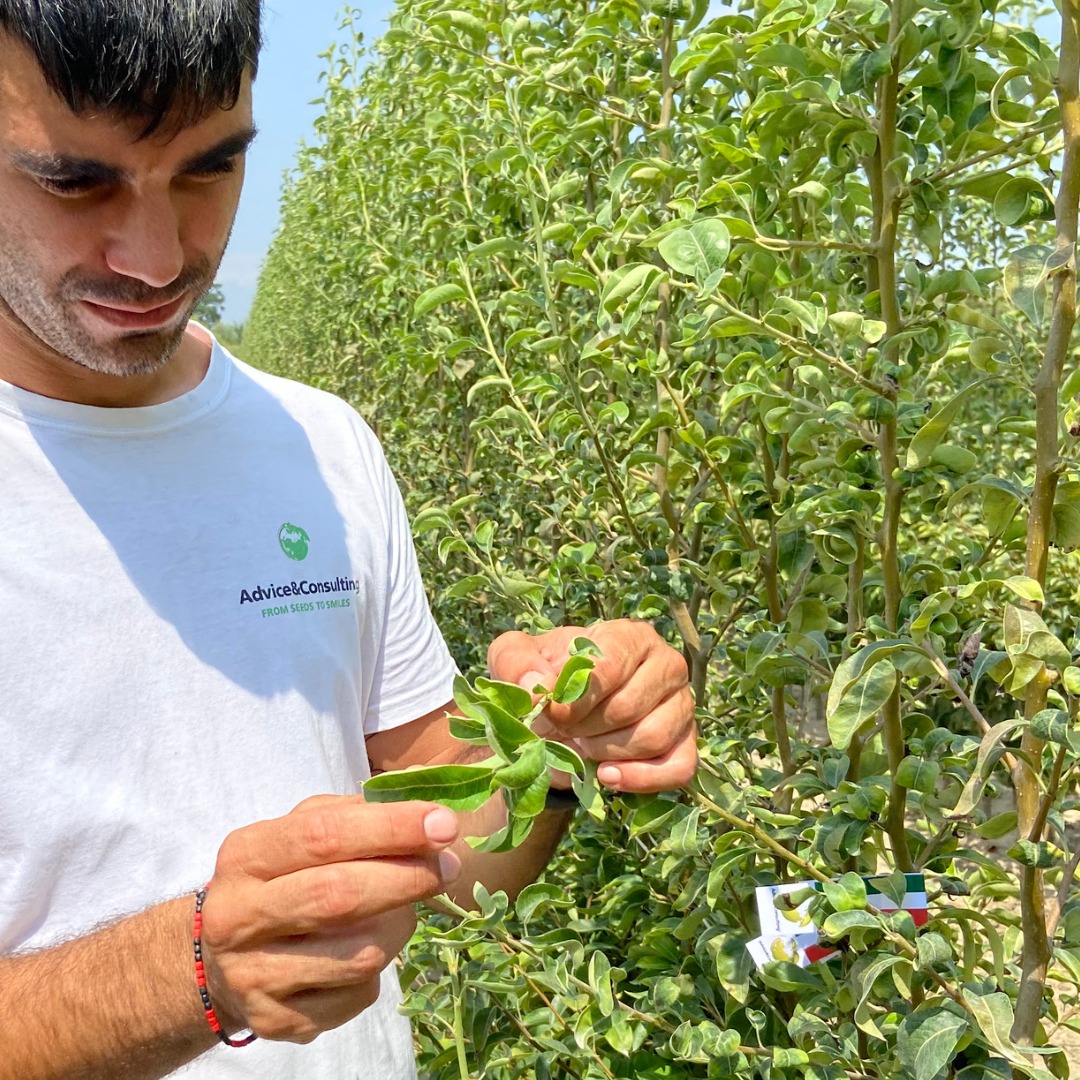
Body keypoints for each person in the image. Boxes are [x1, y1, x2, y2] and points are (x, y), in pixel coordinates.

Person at [0, 2, 698, 1078]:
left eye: (210, 168)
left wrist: (561, 746)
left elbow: (448, 846)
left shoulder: (321, 446)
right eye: (74, 181)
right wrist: (190, 973)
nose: (156, 257)